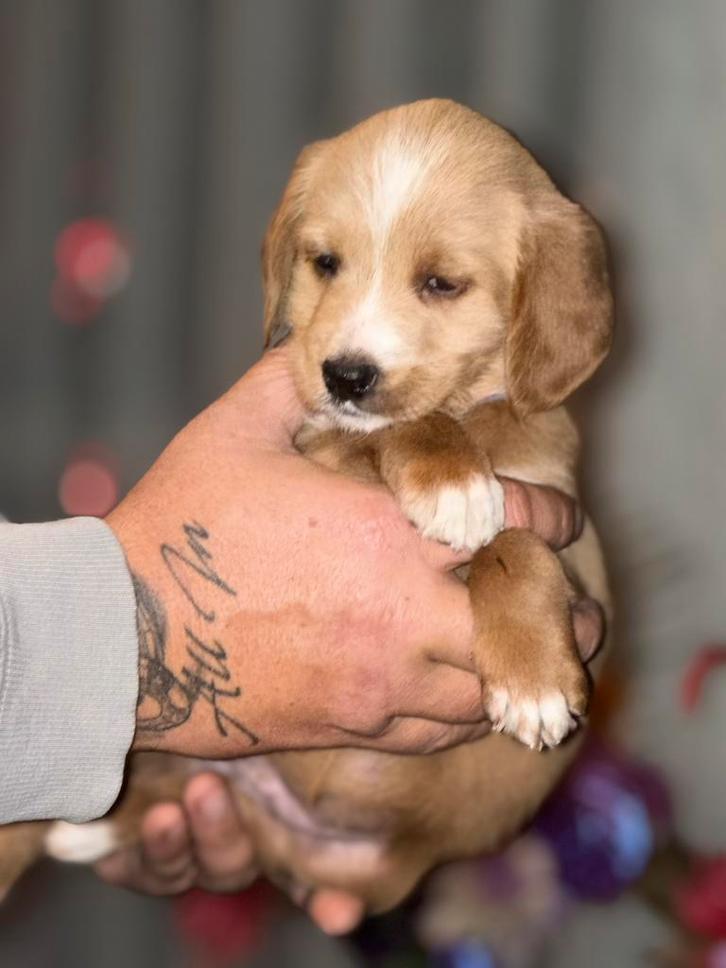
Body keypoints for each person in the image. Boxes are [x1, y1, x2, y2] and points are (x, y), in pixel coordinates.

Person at [0, 348, 602, 934]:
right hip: (299, 818)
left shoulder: (524, 422)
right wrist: (126, 634)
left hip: (389, 835)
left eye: (441, 290)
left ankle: (115, 803)